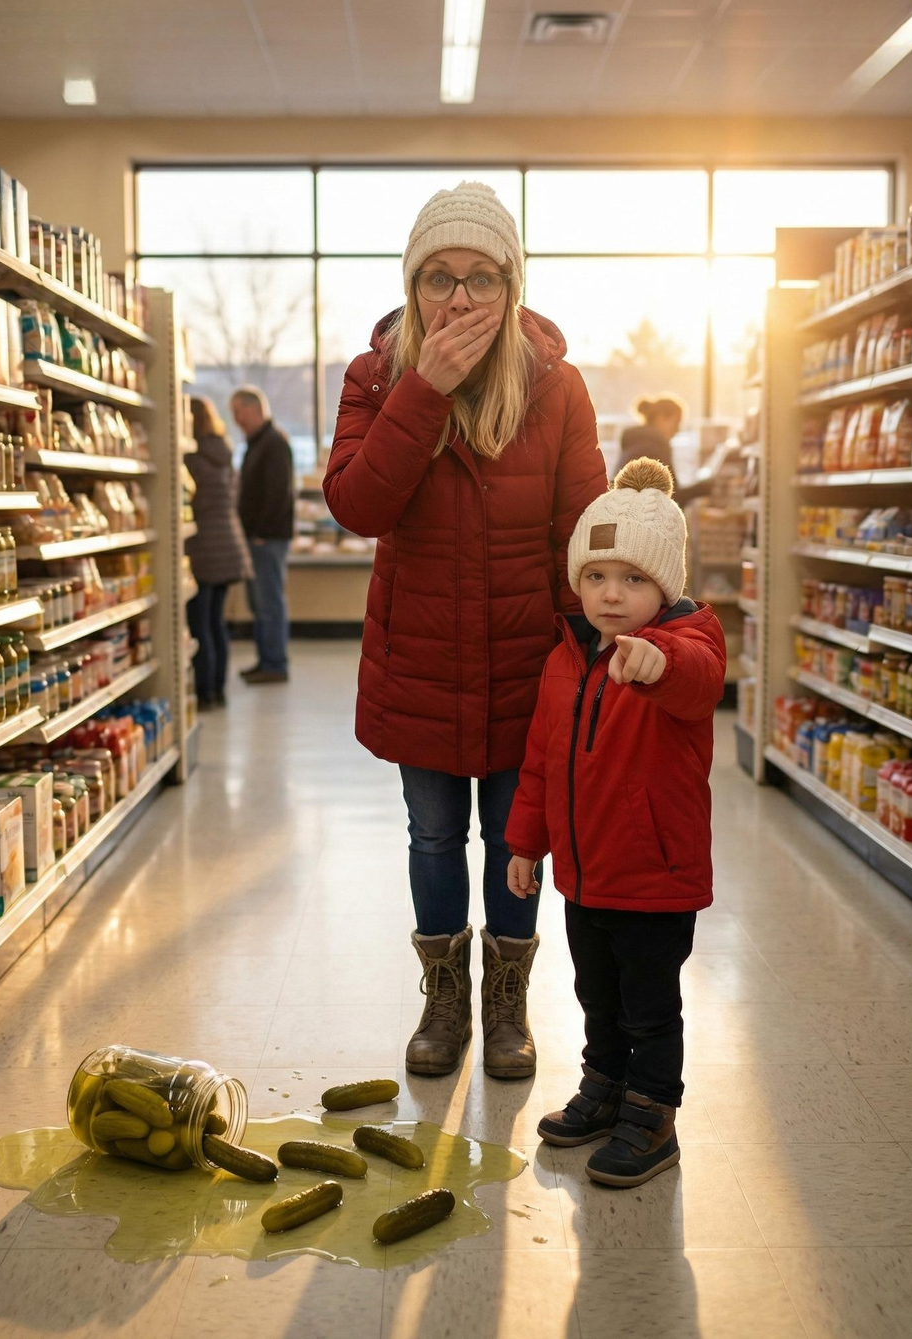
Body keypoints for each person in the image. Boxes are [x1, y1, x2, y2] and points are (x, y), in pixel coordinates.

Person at [324, 181, 607, 1082]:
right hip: (422, 659)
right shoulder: (375, 379)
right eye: (439, 277)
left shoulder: (557, 388)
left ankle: (507, 1003)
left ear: (510, 286)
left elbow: (582, 532)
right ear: (412, 287)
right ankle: (444, 1003)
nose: (458, 297)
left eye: (481, 277)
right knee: (435, 835)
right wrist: (425, 391)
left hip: (530, 661)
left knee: (519, 841)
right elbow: (357, 505)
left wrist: (604, 652)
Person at [504, 457, 725, 1187]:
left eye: (632, 579)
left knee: (649, 1007)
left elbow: (696, 677)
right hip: (584, 874)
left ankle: (652, 1113)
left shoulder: (684, 642)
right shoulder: (564, 661)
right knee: (596, 994)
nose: (610, 594)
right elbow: (540, 761)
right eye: (596, 576)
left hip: (654, 875)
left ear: (664, 585)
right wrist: (524, 841)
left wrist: (654, 663)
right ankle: (603, 1087)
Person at [185, 396, 253, 709]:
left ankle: (204, 692)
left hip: (202, 548)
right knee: (217, 624)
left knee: (200, 625)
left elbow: (191, 505)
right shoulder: (225, 455)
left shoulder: (192, 460)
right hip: (228, 545)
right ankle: (219, 691)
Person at [232, 386, 294, 684]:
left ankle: (274, 664)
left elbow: (279, 493)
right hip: (258, 537)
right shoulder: (258, 443)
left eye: (238, 412)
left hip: (267, 539)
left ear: (254, 409)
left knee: (269, 603)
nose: (235, 419)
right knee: (260, 604)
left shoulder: (273, 443)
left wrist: (261, 533)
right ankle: (266, 660)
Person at [617, 393, 713, 506]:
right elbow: (669, 499)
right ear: (660, 418)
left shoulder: (638, 442)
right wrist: (704, 488)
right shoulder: (652, 449)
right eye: (677, 422)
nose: (677, 430)